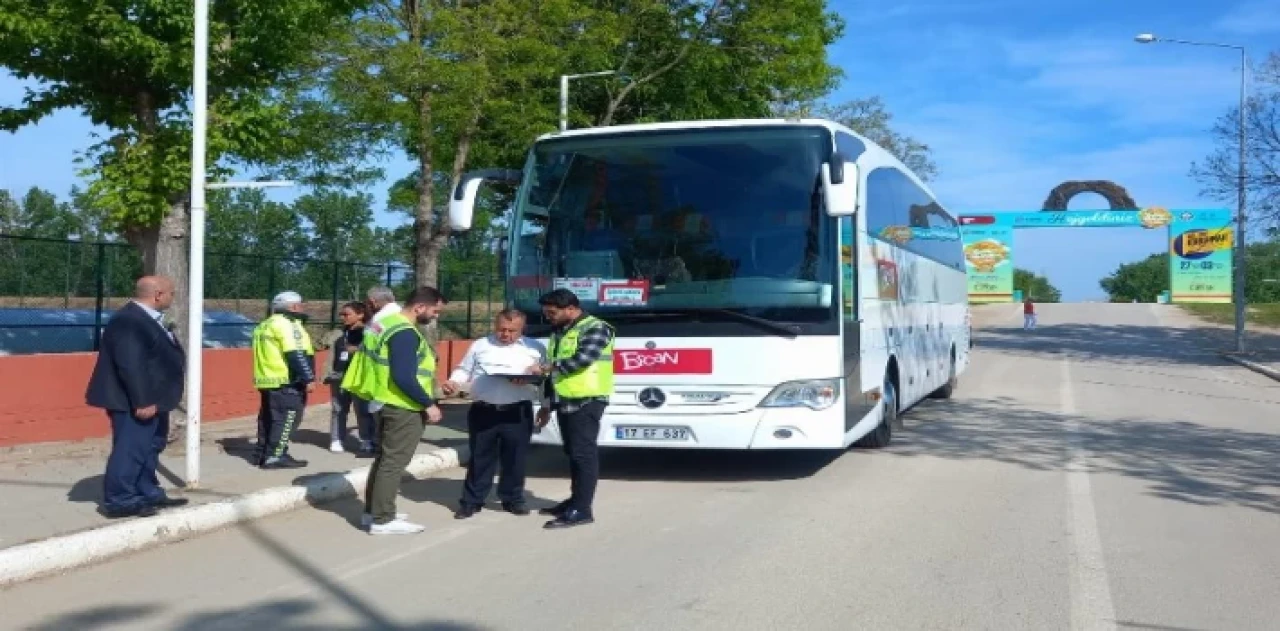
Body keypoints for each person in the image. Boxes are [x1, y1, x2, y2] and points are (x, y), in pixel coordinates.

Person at [85, 276, 188, 518]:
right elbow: (130, 364)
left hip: (154, 398)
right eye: (172, 293)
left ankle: (147, 491)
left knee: (150, 446)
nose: (173, 298)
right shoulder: (130, 320)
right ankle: (120, 500)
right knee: (131, 449)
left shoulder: (147, 319)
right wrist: (142, 400)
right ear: (158, 294)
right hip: (134, 401)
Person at [443, 309, 546, 519]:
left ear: (522, 329)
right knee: (480, 458)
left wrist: (545, 404)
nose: (505, 334)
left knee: (515, 459)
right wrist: (454, 382)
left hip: (517, 411)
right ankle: (471, 502)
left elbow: (545, 380)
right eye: (501, 329)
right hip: (484, 410)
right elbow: (464, 369)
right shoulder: (481, 345)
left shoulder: (535, 348)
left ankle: (513, 499)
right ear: (495, 326)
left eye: (511, 331)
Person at [526, 288, 615, 530]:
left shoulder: (596, 328)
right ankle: (575, 501)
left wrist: (545, 368)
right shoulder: (561, 331)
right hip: (565, 399)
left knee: (583, 455)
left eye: (552, 312)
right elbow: (554, 374)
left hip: (586, 400)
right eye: (546, 313)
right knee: (572, 453)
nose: (549, 317)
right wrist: (546, 404)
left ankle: (582, 510)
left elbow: (582, 359)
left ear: (571, 309)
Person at [362, 286, 448, 535]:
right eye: (434, 310)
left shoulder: (385, 323)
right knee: (393, 463)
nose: (435, 316)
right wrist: (428, 403)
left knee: (383, 460)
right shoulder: (405, 333)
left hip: (384, 400)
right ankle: (383, 519)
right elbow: (404, 376)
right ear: (419, 307)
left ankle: (374, 511)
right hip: (403, 406)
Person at [251, 291, 317, 469]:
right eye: (301, 304)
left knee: (268, 418)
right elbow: (295, 353)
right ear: (293, 306)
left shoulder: (265, 325)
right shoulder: (288, 325)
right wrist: (308, 377)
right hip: (286, 381)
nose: (304, 307)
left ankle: (261, 454)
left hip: (267, 380)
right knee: (287, 418)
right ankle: (276, 455)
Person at [320, 301, 376, 457]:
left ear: (360, 315)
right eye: (341, 314)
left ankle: (366, 440)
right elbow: (322, 346)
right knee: (338, 409)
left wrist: (357, 349)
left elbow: (375, 350)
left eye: (347, 314)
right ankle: (336, 439)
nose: (343, 317)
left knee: (363, 410)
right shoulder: (338, 333)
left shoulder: (369, 332)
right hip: (339, 376)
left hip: (359, 377)